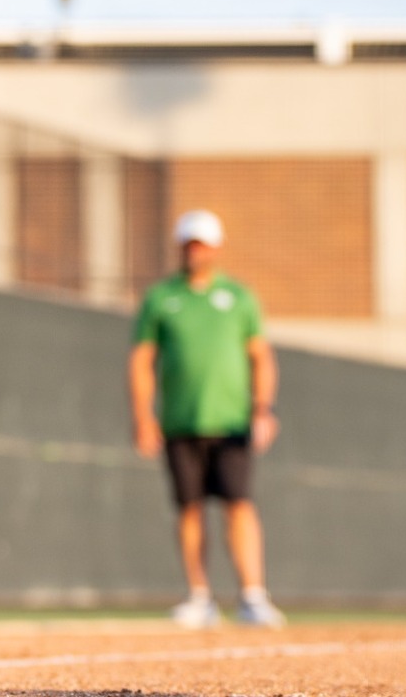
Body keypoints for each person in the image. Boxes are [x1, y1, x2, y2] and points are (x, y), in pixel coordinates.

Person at [128, 210, 286, 629]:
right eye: (188, 243)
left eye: (201, 243)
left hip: (231, 422)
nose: (194, 250)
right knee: (189, 509)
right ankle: (199, 597)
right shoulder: (162, 298)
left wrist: (263, 409)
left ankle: (253, 596)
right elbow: (142, 359)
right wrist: (143, 417)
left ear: (215, 247)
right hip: (180, 422)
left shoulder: (239, 297)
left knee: (239, 505)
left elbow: (261, 356)